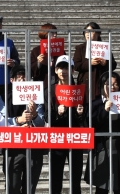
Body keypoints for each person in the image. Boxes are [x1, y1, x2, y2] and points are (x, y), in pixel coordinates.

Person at [84, 71, 120, 194]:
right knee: (101, 189)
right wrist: (104, 110)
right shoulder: (95, 103)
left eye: (116, 84)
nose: (112, 87)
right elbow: (90, 125)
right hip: (101, 149)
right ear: (102, 86)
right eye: (108, 84)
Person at [0, 65, 45, 194]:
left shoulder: (37, 96)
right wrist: (18, 121)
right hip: (13, 147)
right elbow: (0, 121)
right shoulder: (4, 97)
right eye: (19, 78)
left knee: (30, 188)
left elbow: (42, 123)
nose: (22, 81)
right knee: (12, 186)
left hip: (34, 147)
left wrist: (34, 115)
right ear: (12, 80)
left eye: (25, 78)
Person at [44, 55, 84, 194]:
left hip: (75, 137)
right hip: (57, 136)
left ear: (73, 70)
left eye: (66, 67)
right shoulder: (50, 90)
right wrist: (57, 113)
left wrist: (80, 113)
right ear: (55, 70)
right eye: (60, 67)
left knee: (76, 178)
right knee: (55, 178)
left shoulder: (79, 89)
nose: (63, 71)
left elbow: (85, 119)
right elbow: (47, 115)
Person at [73, 22, 116, 103]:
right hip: (85, 82)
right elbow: (76, 65)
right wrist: (89, 63)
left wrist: (105, 63)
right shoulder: (80, 48)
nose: (88, 34)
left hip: (101, 82)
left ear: (98, 33)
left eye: (91, 32)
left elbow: (114, 64)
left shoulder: (104, 47)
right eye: (86, 32)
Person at [30, 23, 62, 88]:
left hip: (58, 83)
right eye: (52, 33)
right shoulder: (36, 50)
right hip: (42, 83)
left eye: (56, 33)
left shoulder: (59, 49)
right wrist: (38, 63)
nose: (55, 35)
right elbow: (31, 69)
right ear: (45, 34)